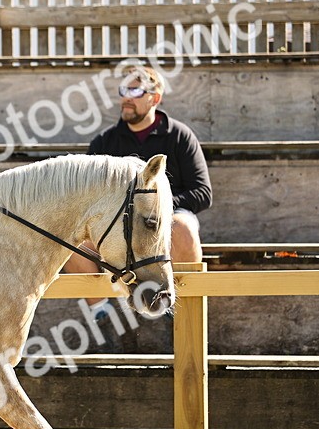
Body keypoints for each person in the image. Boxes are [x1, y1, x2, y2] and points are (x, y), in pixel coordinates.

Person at [63, 66, 211, 322]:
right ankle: (102, 314)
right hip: (114, 224)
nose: (127, 97)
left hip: (168, 219)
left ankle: (180, 310)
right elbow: (84, 196)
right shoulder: (104, 142)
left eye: (135, 90)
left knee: (183, 227)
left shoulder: (180, 136)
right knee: (72, 242)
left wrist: (156, 208)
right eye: (124, 90)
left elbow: (202, 192)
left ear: (155, 97)